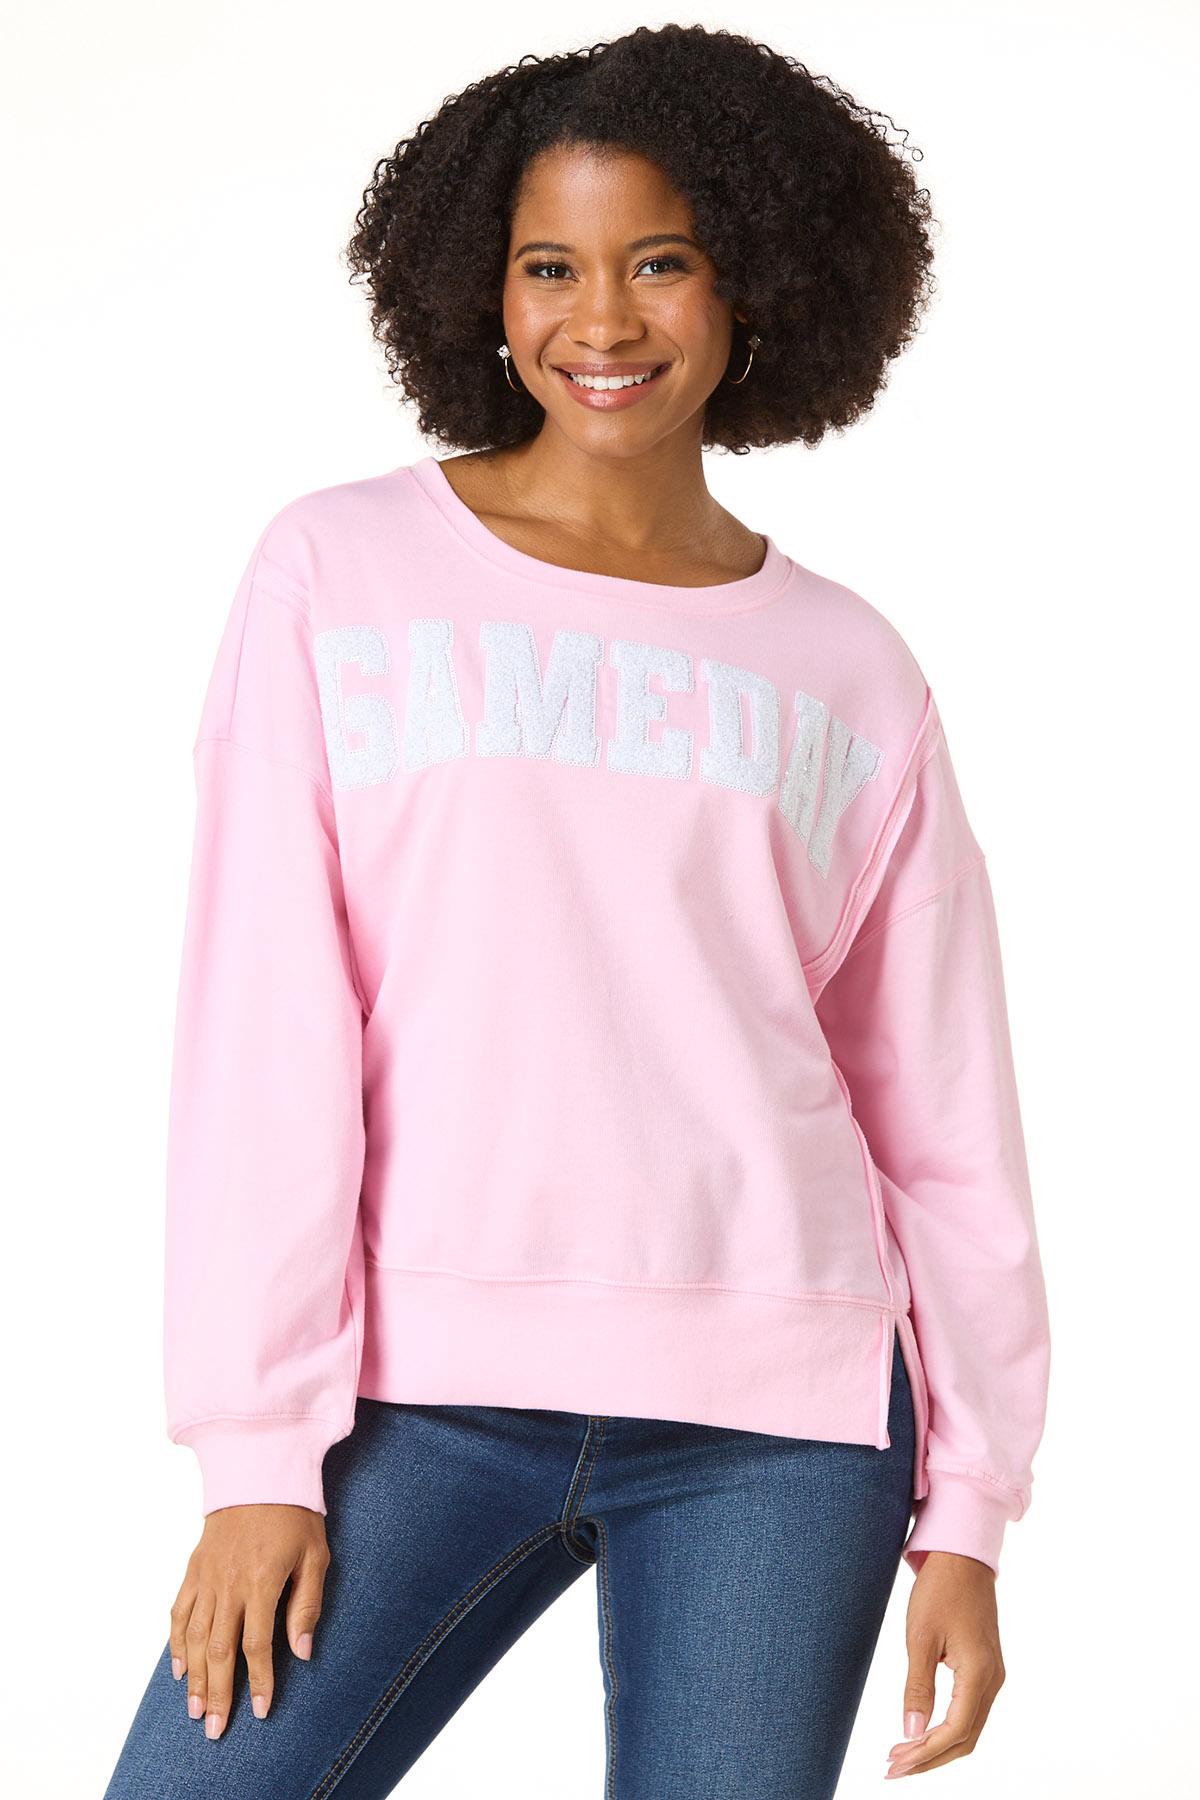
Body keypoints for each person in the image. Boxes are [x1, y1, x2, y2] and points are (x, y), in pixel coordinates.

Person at [104, 21, 1051, 1798]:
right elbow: (264, 1027)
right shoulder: (338, 573)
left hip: (785, 1426)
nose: (601, 319)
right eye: (551, 266)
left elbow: (943, 1120)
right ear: (483, 285)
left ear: (755, 278)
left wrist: (972, 1514)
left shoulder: (849, 670)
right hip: (416, 1395)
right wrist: (256, 1454)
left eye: (660, 262)